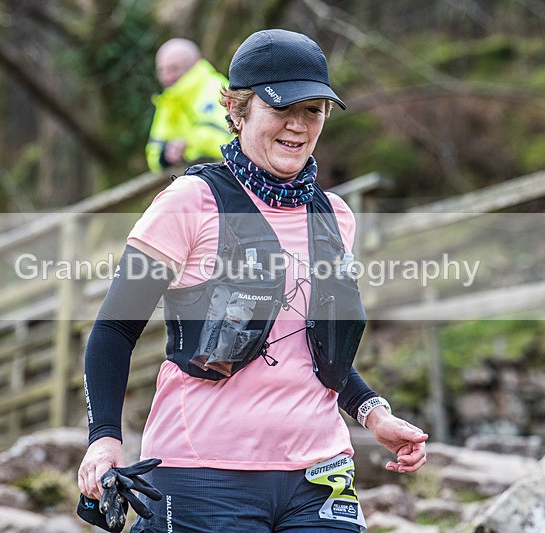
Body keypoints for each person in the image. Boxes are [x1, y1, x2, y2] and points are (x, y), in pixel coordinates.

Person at [78, 29, 428, 533]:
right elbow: (114, 330)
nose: (299, 125)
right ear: (238, 110)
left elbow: (314, 346)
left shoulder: (335, 217)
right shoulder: (189, 202)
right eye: (282, 107)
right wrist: (105, 437)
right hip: (202, 476)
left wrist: (373, 414)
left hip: (320, 474)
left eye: (314, 110)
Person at [145, 38, 233, 172]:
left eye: (174, 69)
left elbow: (226, 141)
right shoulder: (168, 99)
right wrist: (165, 155)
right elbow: (153, 152)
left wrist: (186, 147)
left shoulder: (216, 88)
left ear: (195, 63)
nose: (166, 77)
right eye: (161, 71)